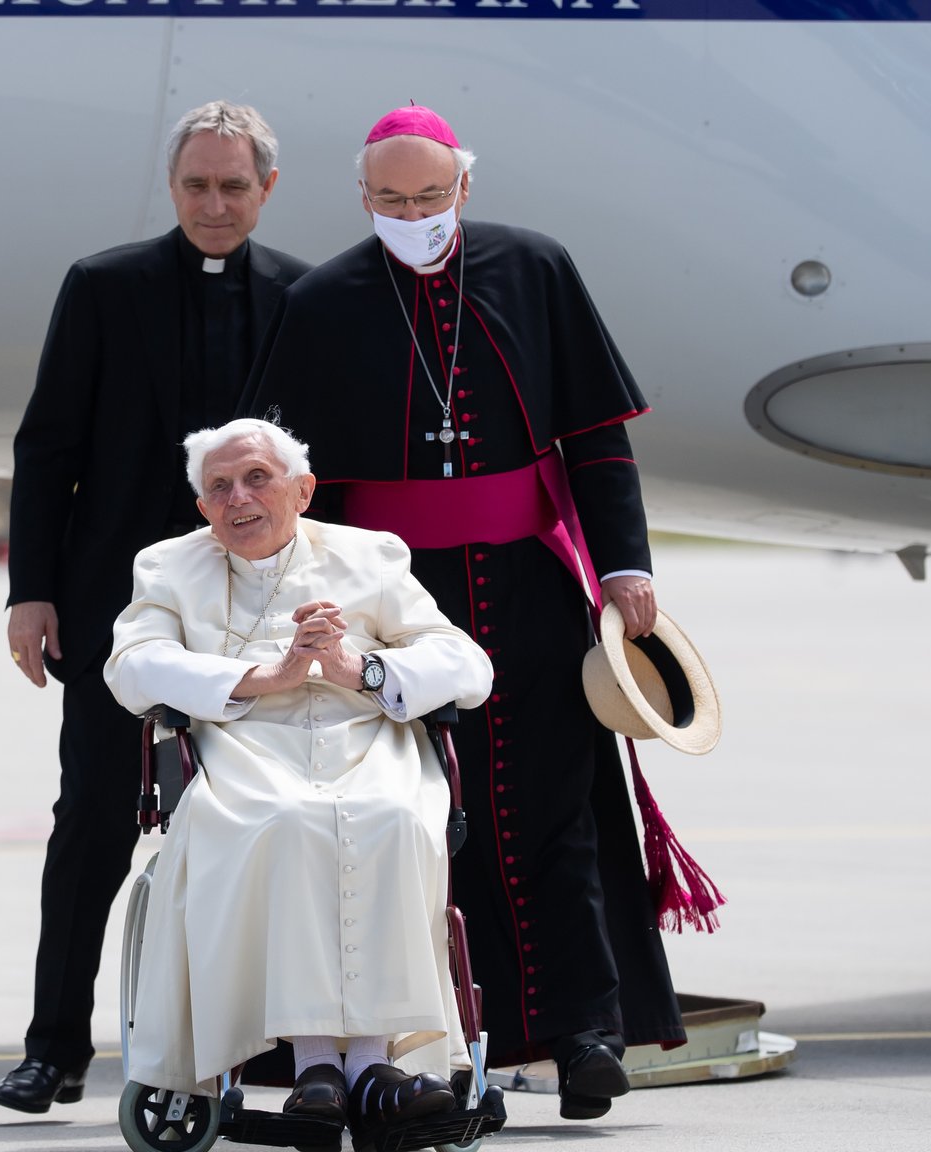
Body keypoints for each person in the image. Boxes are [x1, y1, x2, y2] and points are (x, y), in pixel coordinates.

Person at [244, 104, 707, 1121]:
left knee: (561, 809)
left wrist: (625, 569)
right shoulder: (322, 302)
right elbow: (289, 479)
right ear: (362, 198)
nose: (412, 216)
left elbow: (593, 441)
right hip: (395, 604)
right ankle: (439, 1044)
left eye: (429, 197)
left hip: (530, 591)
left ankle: (586, 1033)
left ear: (464, 187)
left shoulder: (534, 268)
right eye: (392, 201)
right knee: (415, 825)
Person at [0, 101, 312, 1113]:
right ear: (170, 188)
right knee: (89, 821)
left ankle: (260, 1045)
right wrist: (30, 591)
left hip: (255, 618)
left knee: (260, 825)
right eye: (194, 185)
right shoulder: (101, 288)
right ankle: (52, 1049)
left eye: (232, 186)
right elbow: (46, 446)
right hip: (115, 607)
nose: (212, 204)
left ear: (266, 188)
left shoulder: (305, 297)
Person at [108, 418, 492, 1134]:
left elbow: (468, 664)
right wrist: (266, 675)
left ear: (304, 490)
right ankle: (320, 1065)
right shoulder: (167, 566)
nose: (238, 498)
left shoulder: (370, 556)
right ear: (202, 508)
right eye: (218, 487)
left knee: (393, 818)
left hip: (367, 744)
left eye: (258, 478)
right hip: (247, 752)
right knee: (286, 821)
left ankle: (371, 1069)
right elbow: (132, 667)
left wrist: (361, 668)